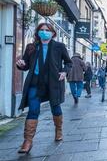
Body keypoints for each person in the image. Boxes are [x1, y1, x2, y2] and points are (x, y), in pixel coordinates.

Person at [16, 22, 72, 153]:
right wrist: (21, 64)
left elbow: (68, 63)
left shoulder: (59, 46)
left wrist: (64, 71)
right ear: (37, 32)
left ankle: (58, 130)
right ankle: (28, 141)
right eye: (41, 30)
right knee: (33, 110)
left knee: (56, 108)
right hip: (35, 83)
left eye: (47, 30)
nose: (44, 32)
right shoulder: (31, 47)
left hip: (53, 83)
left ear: (53, 33)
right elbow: (26, 65)